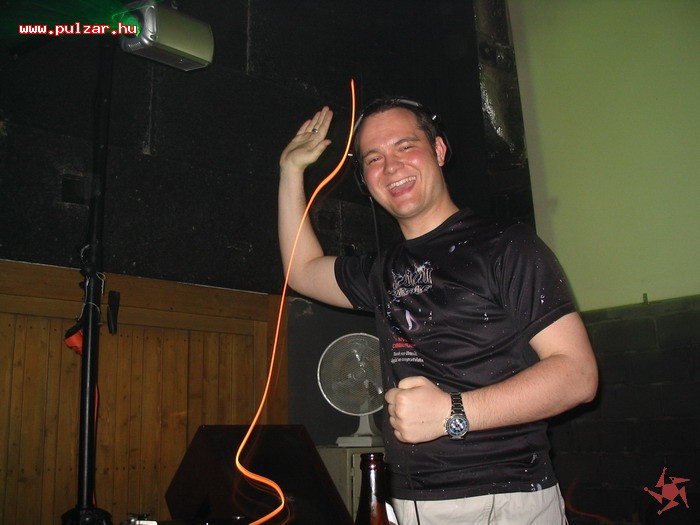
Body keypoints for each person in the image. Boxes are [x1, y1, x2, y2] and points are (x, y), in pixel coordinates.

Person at [278, 99, 598, 524]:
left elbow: (578, 375)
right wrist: (290, 171)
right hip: (414, 501)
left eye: (405, 146)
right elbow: (301, 271)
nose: (391, 166)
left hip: (504, 497)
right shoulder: (383, 271)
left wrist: (453, 413)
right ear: (365, 179)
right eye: (373, 158)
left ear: (439, 151)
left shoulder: (507, 245)